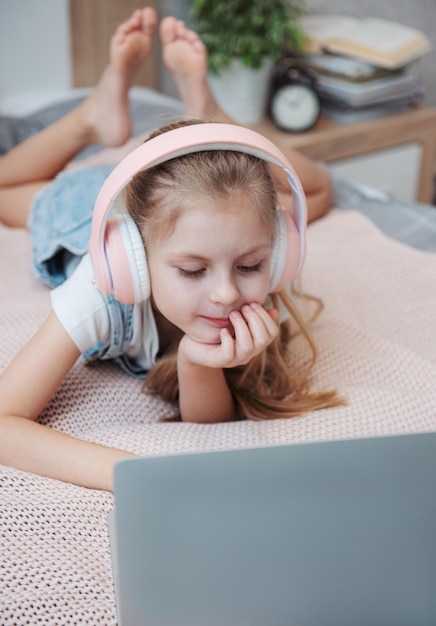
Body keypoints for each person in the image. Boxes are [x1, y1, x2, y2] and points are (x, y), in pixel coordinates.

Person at [0, 8, 341, 491]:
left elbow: (206, 425)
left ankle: (209, 114)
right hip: (82, 208)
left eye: (249, 264)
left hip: (181, 198)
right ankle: (91, 118)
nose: (225, 294)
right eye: (191, 270)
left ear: (282, 252)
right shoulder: (103, 282)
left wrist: (195, 361)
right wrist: (139, 476)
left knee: (323, 190)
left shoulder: (253, 270)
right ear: (131, 259)